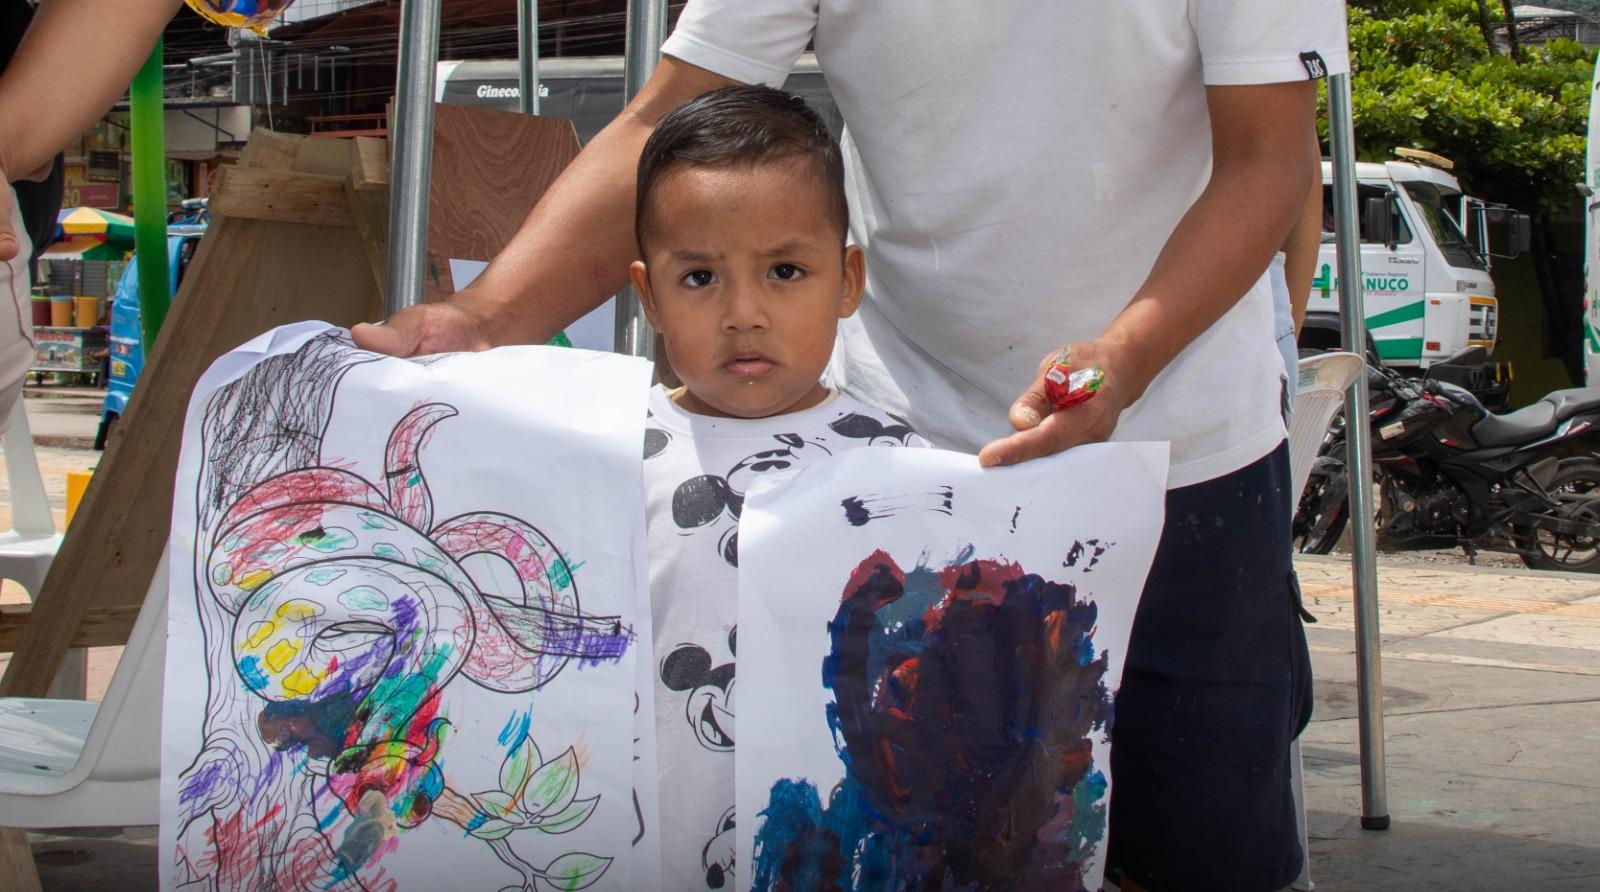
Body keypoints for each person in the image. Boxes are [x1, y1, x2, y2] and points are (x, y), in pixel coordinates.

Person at [357, 4, 1347, 889]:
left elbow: (1269, 157)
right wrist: (484, 319)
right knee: (936, 841)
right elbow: (669, 115)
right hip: (903, 465)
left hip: (1180, 453)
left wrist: (1124, 360)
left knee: (1205, 842)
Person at [632, 85, 927, 889]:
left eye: (786, 270)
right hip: (646, 841)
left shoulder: (901, 468)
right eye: (699, 278)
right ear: (648, 294)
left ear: (847, 280)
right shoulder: (612, 453)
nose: (744, 313)